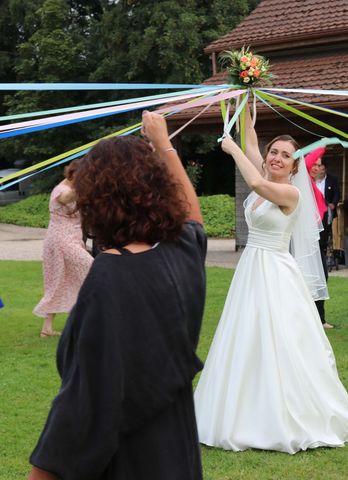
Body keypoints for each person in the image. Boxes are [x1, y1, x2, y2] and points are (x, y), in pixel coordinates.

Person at [27, 111, 207, 480]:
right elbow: (193, 218)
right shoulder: (184, 253)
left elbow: (86, 401)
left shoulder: (109, 276)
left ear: (97, 200)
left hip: (132, 460)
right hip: (177, 454)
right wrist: (163, 144)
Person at [194, 109, 348, 454]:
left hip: (274, 270)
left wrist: (231, 149)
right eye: (274, 152)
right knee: (246, 335)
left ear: (295, 166)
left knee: (278, 338)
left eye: (286, 156)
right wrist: (245, 97)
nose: (277, 158)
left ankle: (284, 412)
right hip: (250, 270)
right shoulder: (266, 170)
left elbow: (255, 184)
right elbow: (252, 140)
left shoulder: (290, 194)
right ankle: (240, 407)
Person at [33, 161, 93, 337]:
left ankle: (47, 328)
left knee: (60, 281)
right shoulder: (61, 190)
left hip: (70, 240)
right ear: (74, 175)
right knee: (92, 269)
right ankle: (91, 317)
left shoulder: (77, 190)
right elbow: (66, 198)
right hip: (61, 241)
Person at [305, 146, 339, 329]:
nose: (316, 167)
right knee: (307, 278)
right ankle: (307, 318)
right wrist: (324, 144)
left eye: (319, 165)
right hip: (305, 241)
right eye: (314, 164)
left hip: (319, 242)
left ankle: (320, 318)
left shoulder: (315, 188)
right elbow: (306, 162)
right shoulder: (302, 181)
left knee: (321, 277)